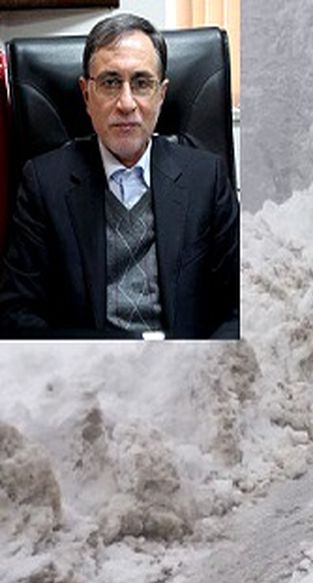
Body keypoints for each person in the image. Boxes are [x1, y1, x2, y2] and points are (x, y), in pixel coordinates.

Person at [0, 13, 238, 339]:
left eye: (141, 83)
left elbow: (244, 305)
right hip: (92, 376)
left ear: (162, 94)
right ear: (86, 94)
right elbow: (17, 315)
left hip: (188, 373)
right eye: (110, 82)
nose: (126, 103)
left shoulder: (207, 178)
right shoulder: (44, 183)